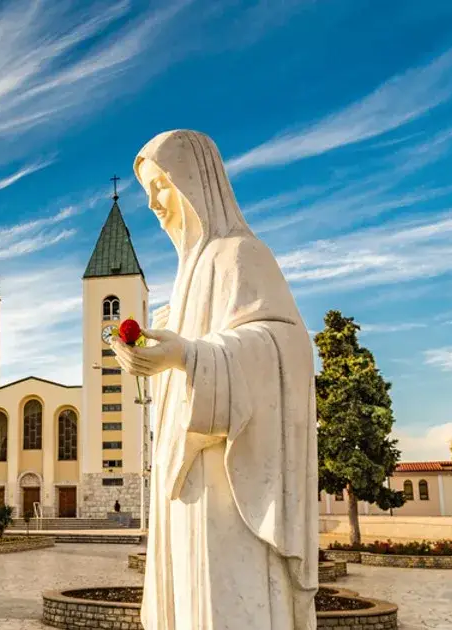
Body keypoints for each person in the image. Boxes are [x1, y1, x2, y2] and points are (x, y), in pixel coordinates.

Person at [112, 130, 319, 630]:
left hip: (229, 479)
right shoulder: (183, 280)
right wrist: (155, 361)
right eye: (148, 191)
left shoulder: (241, 255)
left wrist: (186, 354)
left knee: (223, 604)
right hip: (184, 482)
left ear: (193, 181)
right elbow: (181, 371)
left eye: (161, 185)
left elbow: (285, 347)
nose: (154, 202)